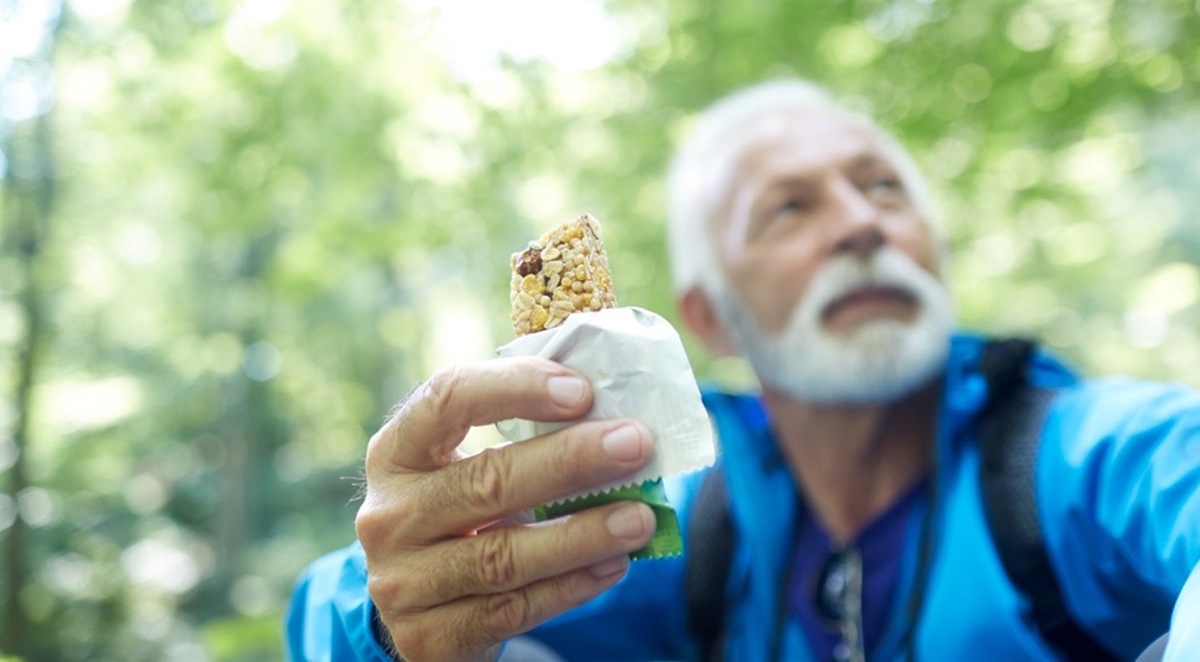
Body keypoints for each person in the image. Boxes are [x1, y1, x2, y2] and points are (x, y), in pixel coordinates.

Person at [285, 80, 1200, 662]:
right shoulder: (686, 518)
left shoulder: (1072, 459)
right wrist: (391, 621)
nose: (862, 224)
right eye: (788, 209)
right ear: (710, 316)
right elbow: (352, 602)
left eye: (883, 187)